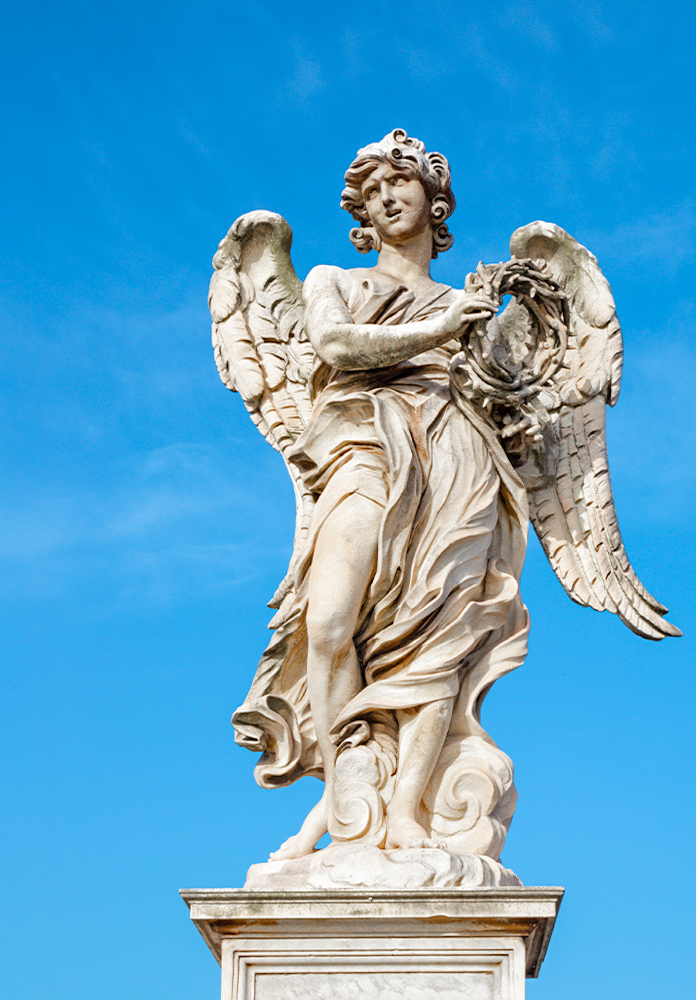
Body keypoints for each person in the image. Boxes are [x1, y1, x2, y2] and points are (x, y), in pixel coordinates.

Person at [232, 130, 532, 858]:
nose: (386, 197)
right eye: (371, 191)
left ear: (436, 201)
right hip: (364, 444)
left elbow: (504, 406)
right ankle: (347, 801)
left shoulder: (470, 303)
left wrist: (499, 340)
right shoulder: (336, 280)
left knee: (439, 632)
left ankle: (403, 810)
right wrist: (440, 328)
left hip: (454, 456)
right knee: (331, 621)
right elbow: (334, 347)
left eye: (400, 183)